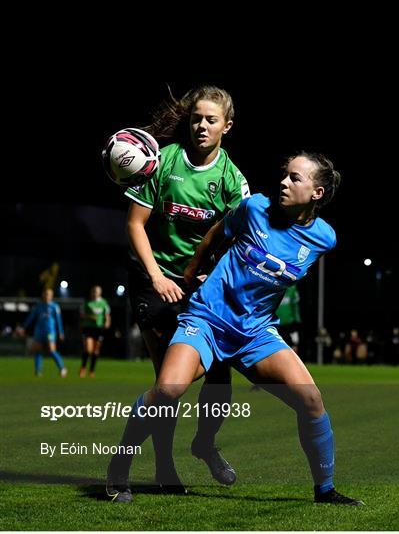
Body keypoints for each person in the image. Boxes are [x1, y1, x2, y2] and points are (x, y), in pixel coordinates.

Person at [106, 151, 364, 506]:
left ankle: (325, 490)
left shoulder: (324, 238)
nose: (283, 182)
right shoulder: (254, 207)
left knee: (311, 400)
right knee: (168, 389)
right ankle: (118, 470)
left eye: (295, 178)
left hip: (255, 333)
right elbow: (215, 234)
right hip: (207, 320)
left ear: (317, 193)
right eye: (284, 175)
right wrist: (191, 273)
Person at [118, 85, 250, 489]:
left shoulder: (232, 180)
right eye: (196, 118)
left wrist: (217, 273)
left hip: (205, 288)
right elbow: (134, 224)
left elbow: (244, 239)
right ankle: (163, 469)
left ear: (227, 126)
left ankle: (205, 444)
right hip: (155, 283)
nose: (202, 126)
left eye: (211, 120)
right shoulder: (163, 161)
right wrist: (157, 276)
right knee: (167, 386)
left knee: (220, 375)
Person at [18, 287, 67, 377]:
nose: (46, 296)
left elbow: (58, 320)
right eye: (45, 294)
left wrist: (61, 332)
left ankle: (62, 368)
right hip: (39, 331)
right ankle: (38, 371)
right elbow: (31, 318)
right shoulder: (38, 306)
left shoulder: (55, 306)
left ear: (51, 296)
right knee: (38, 351)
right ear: (42, 295)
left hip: (50, 331)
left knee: (51, 350)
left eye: (48, 294)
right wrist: (23, 327)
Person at [79, 285, 111, 378]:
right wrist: (89, 317)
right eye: (93, 291)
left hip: (99, 329)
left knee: (96, 350)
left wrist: (107, 322)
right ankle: (83, 368)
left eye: (96, 292)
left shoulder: (104, 303)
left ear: (99, 293)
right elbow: (81, 315)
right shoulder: (87, 302)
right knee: (88, 349)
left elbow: (107, 314)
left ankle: (92, 370)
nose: (94, 293)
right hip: (88, 328)